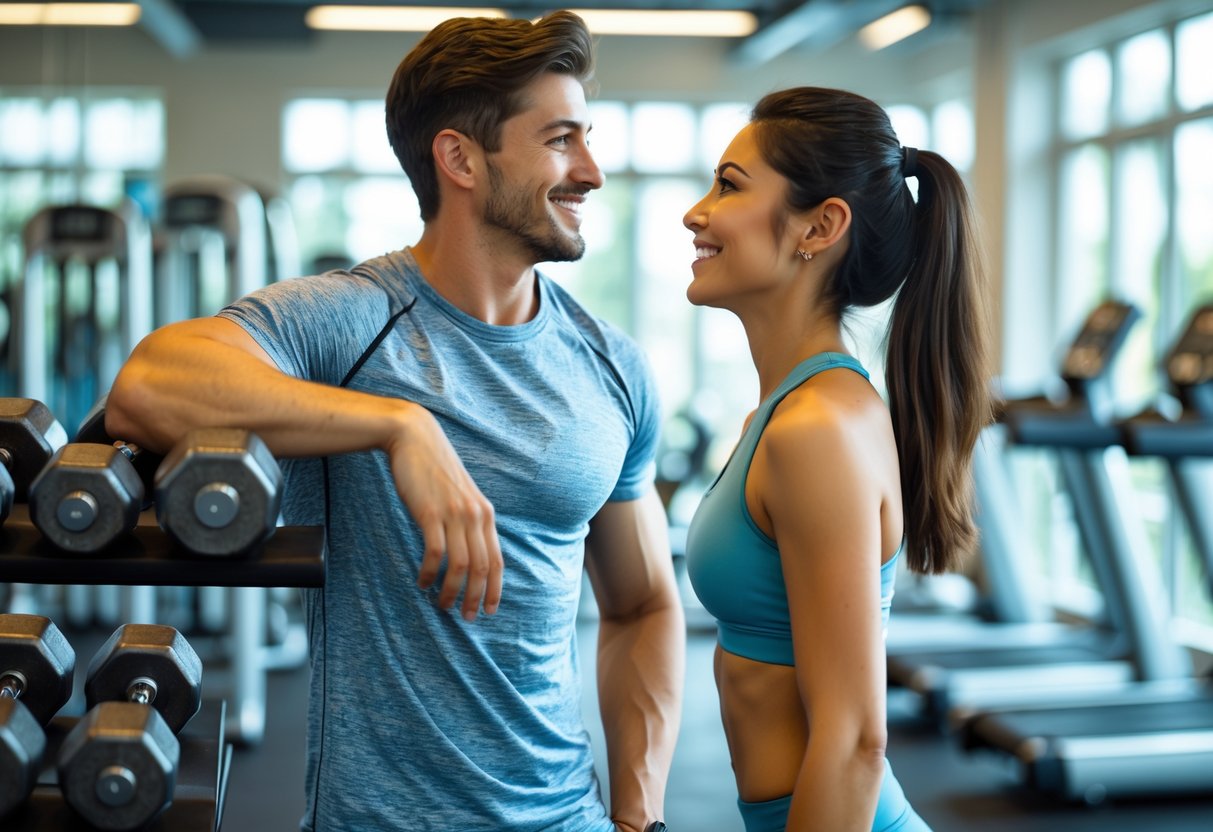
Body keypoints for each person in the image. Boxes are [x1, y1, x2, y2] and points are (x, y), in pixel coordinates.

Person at [106, 12, 684, 832]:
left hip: (569, 819)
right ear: (459, 159)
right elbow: (149, 383)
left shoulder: (612, 367)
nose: (590, 171)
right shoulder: (353, 321)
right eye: (560, 140)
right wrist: (399, 425)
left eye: (585, 138)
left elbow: (642, 605)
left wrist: (639, 813)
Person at [681, 87, 992, 831]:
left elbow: (854, 741)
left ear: (819, 226)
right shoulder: (790, 408)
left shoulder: (815, 426)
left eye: (727, 185)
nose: (696, 211)